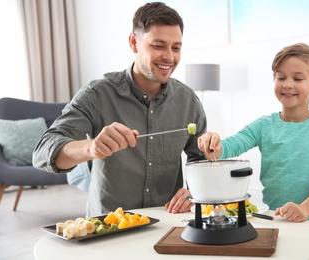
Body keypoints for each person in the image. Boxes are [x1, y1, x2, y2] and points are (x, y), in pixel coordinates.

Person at [33, 2, 207, 217]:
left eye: (176, 47)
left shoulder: (188, 100)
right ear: (134, 43)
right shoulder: (97, 94)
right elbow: (42, 152)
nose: (169, 57)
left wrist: (194, 192)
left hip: (167, 222)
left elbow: (202, 159)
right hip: (109, 226)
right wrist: (91, 148)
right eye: (159, 46)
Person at [198, 43, 309, 259]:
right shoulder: (263, 125)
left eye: (297, 78)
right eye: (280, 77)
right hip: (276, 225)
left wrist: (305, 208)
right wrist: (212, 143)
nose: (287, 85)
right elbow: (226, 148)